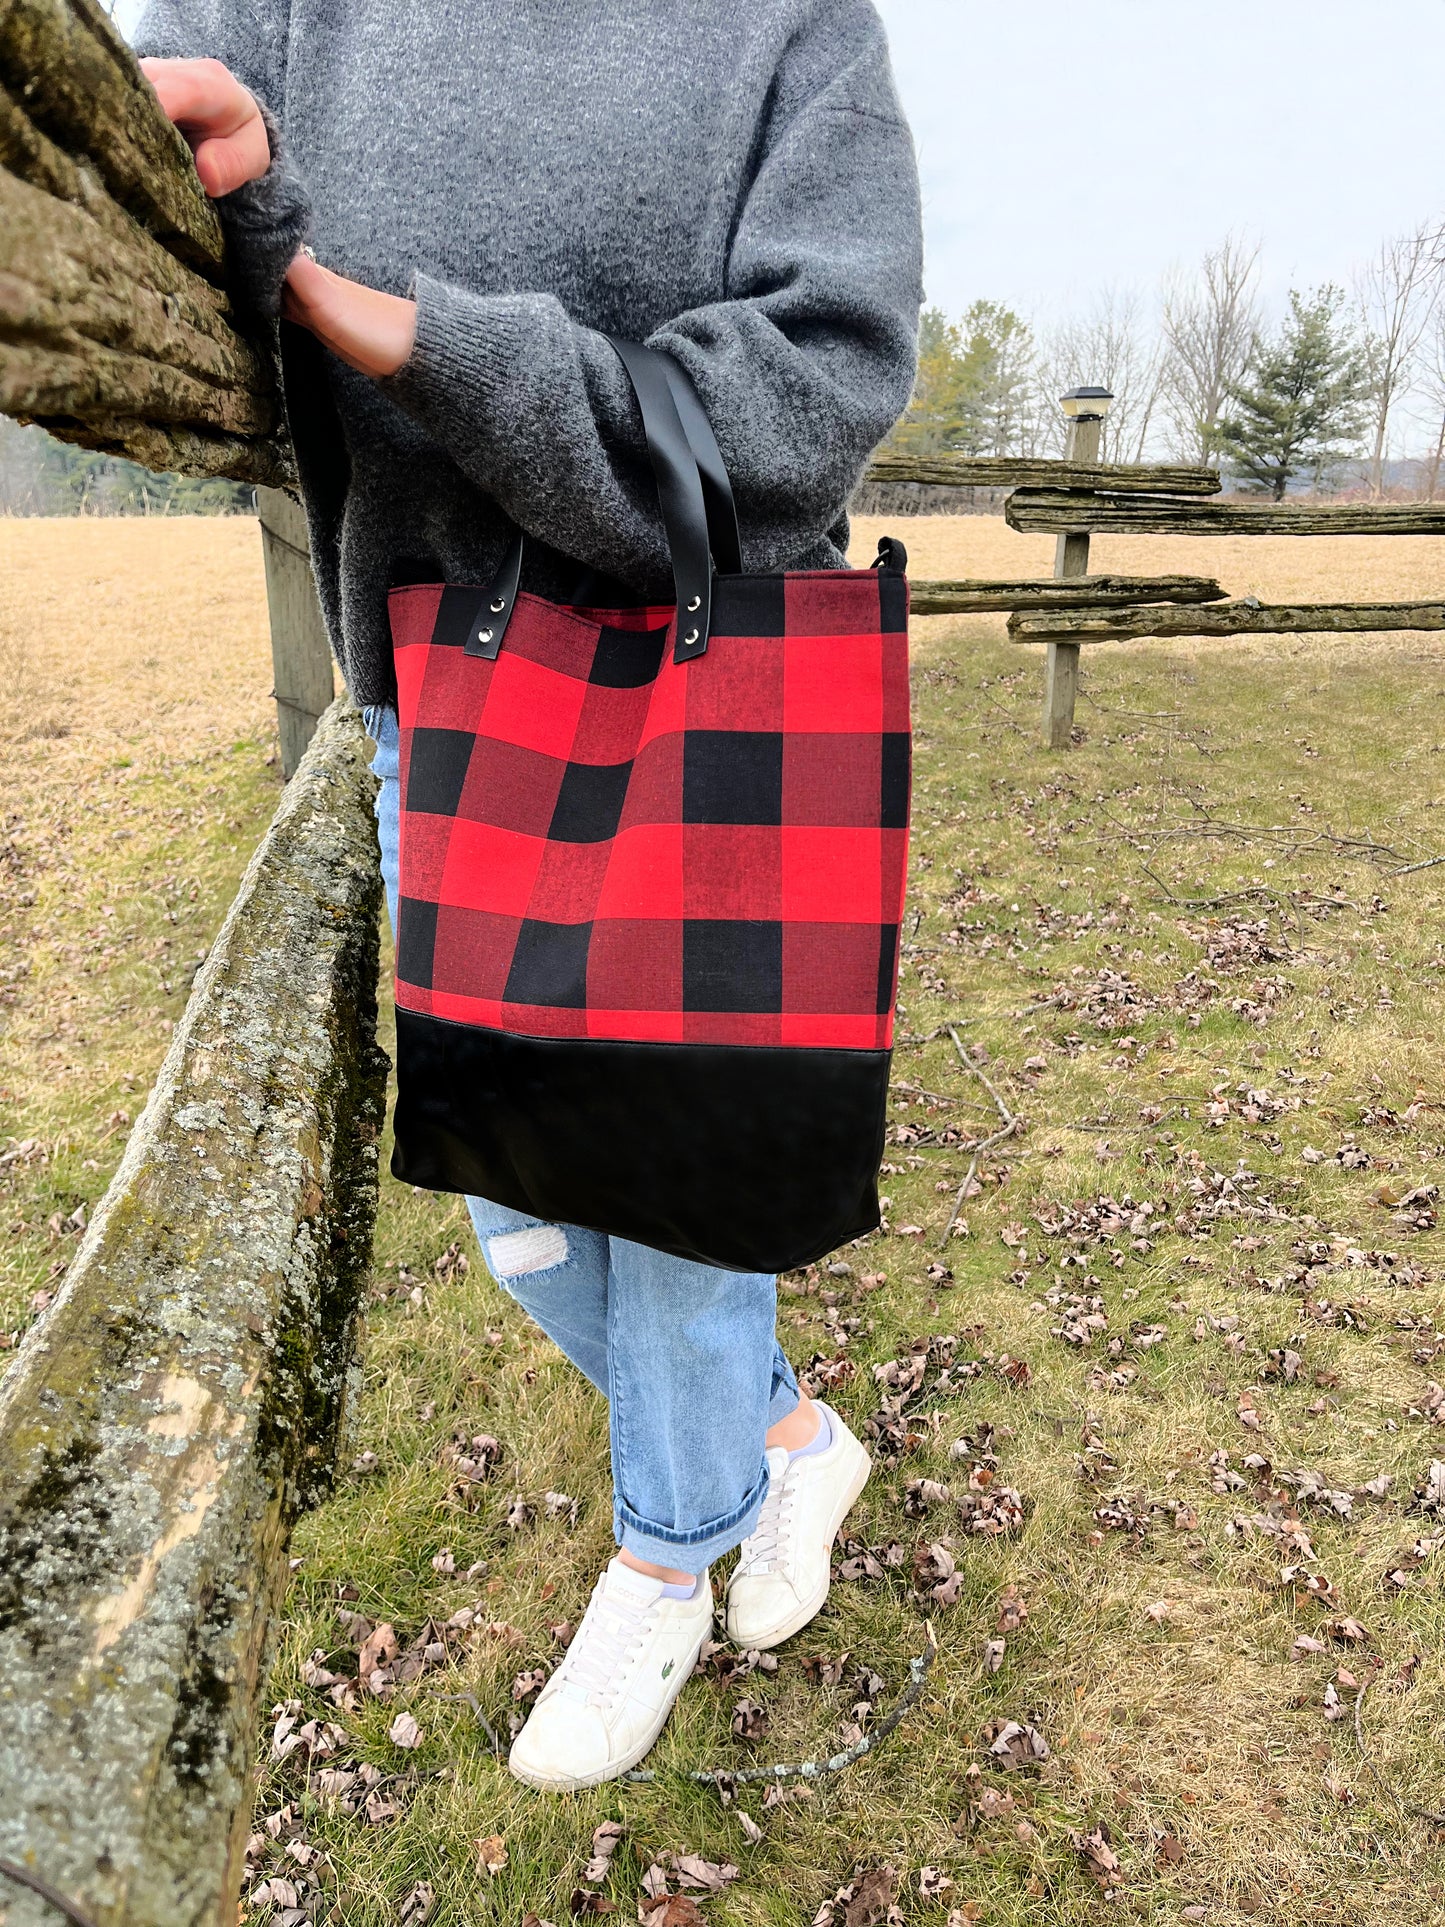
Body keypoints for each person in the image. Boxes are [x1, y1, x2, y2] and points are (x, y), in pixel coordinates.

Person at [136, 0, 923, 1791]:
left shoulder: (790, 23)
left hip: (712, 714)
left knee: (679, 1178)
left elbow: (815, 379)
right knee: (526, 1214)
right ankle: (785, 1440)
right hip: (442, 698)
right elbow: (150, 216)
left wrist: (420, 342)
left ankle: (666, 1551)